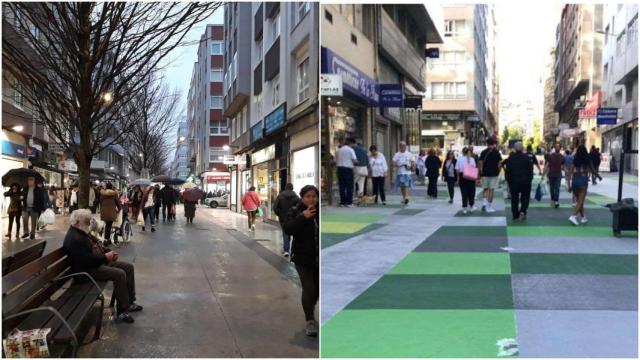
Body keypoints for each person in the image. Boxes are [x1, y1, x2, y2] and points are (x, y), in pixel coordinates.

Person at [63, 209, 142, 323]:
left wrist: (108, 252)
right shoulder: (75, 238)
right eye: (87, 221)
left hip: (96, 263)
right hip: (87, 271)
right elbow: (87, 260)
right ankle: (122, 311)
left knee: (128, 267)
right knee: (119, 274)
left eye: (89, 220)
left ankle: (129, 302)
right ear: (77, 222)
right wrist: (105, 257)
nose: (89, 223)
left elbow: (97, 245)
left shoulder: (82, 232)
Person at [283, 185, 319, 337]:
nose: (311, 199)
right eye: (308, 196)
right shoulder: (295, 210)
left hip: (319, 257)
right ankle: (310, 320)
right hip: (302, 257)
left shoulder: (320, 212)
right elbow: (288, 229)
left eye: (314, 196)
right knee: (309, 289)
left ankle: (310, 308)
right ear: (302, 197)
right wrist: (302, 217)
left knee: (317, 290)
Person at [504, 142, 534, 221]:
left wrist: (509, 182)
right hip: (525, 182)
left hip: (514, 182)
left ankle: (515, 214)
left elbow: (508, 171)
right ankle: (523, 211)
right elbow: (530, 171)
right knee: (525, 197)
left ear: (514, 148)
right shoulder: (527, 158)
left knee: (514, 199)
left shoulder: (511, 158)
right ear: (522, 148)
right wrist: (530, 180)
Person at [567, 145, 596, 225]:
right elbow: (593, 170)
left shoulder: (575, 160)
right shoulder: (587, 159)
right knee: (580, 201)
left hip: (575, 180)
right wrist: (597, 175)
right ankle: (573, 216)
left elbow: (569, 173)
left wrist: (569, 185)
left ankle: (583, 217)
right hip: (583, 180)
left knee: (579, 201)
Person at [273, 183, 300, 257]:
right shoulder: (296, 196)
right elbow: (299, 207)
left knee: (285, 233)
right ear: (292, 188)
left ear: (285, 188)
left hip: (283, 218)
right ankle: (294, 250)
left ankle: (286, 250)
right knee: (294, 233)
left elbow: (275, 207)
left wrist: (279, 213)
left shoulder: (280, 196)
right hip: (293, 218)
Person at [479, 137, 501, 213]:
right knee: (491, 190)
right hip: (494, 174)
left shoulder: (483, 152)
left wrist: (481, 172)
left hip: (484, 174)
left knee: (485, 189)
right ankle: (489, 206)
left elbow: (480, 163)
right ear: (494, 143)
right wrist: (498, 171)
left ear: (487, 143)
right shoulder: (497, 152)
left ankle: (484, 204)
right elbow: (499, 164)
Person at [336, 138, 357, 207]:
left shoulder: (339, 150)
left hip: (340, 169)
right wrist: (357, 162)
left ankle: (342, 202)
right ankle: (349, 203)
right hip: (348, 169)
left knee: (342, 186)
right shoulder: (351, 150)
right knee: (349, 186)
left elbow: (336, 160)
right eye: (354, 144)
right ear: (351, 143)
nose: (354, 145)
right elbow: (354, 160)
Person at [455, 147, 477, 214]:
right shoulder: (472, 159)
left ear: (462, 152)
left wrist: (458, 177)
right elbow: (474, 167)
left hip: (462, 176)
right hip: (470, 175)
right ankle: (471, 206)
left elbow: (457, 169)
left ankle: (464, 207)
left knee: (463, 192)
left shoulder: (459, 159)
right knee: (471, 192)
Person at [544, 143, 565, 208]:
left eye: (558, 147)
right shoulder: (551, 156)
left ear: (560, 148)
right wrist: (543, 173)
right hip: (551, 174)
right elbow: (547, 165)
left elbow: (563, 166)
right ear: (554, 148)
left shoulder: (562, 157)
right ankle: (552, 199)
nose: (557, 148)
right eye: (556, 147)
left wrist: (567, 171)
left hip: (558, 174)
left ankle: (556, 201)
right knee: (552, 188)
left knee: (557, 188)